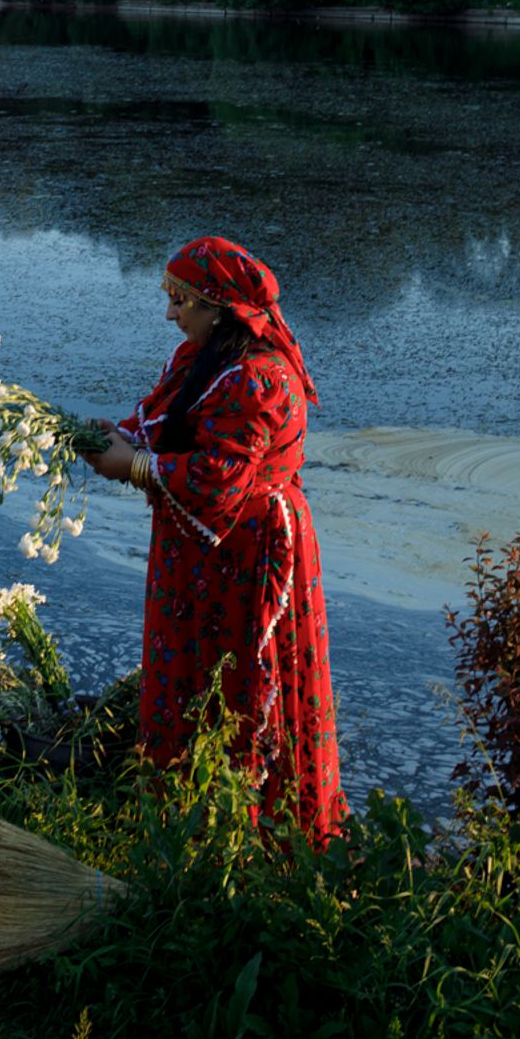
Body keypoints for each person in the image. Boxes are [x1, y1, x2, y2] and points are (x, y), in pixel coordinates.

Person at [84, 236, 347, 843]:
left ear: (221, 307)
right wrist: (110, 434)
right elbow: (162, 426)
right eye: (171, 298)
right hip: (198, 548)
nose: (171, 314)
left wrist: (132, 466)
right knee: (189, 674)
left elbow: (218, 477)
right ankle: (184, 822)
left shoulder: (262, 379)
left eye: (182, 301)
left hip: (249, 550)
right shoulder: (195, 359)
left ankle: (261, 835)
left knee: (240, 683)